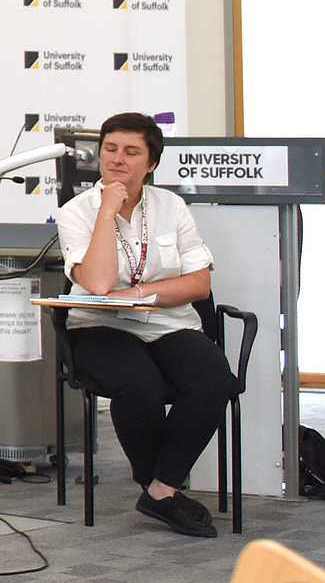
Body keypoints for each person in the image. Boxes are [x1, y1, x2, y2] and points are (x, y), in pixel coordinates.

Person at [51, 111, 233, 539]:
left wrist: (135, 294)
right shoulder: (75, 212)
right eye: (110, 149)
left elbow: (200, 283)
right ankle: (162, 491)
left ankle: (161, 489)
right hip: (98, 325)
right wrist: (107, 211)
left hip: (166, 322)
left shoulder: (172, 207)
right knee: (140, 386)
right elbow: (95, 283)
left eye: (131, 152)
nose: (117, 159)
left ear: (151, 163)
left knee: (214, 379)